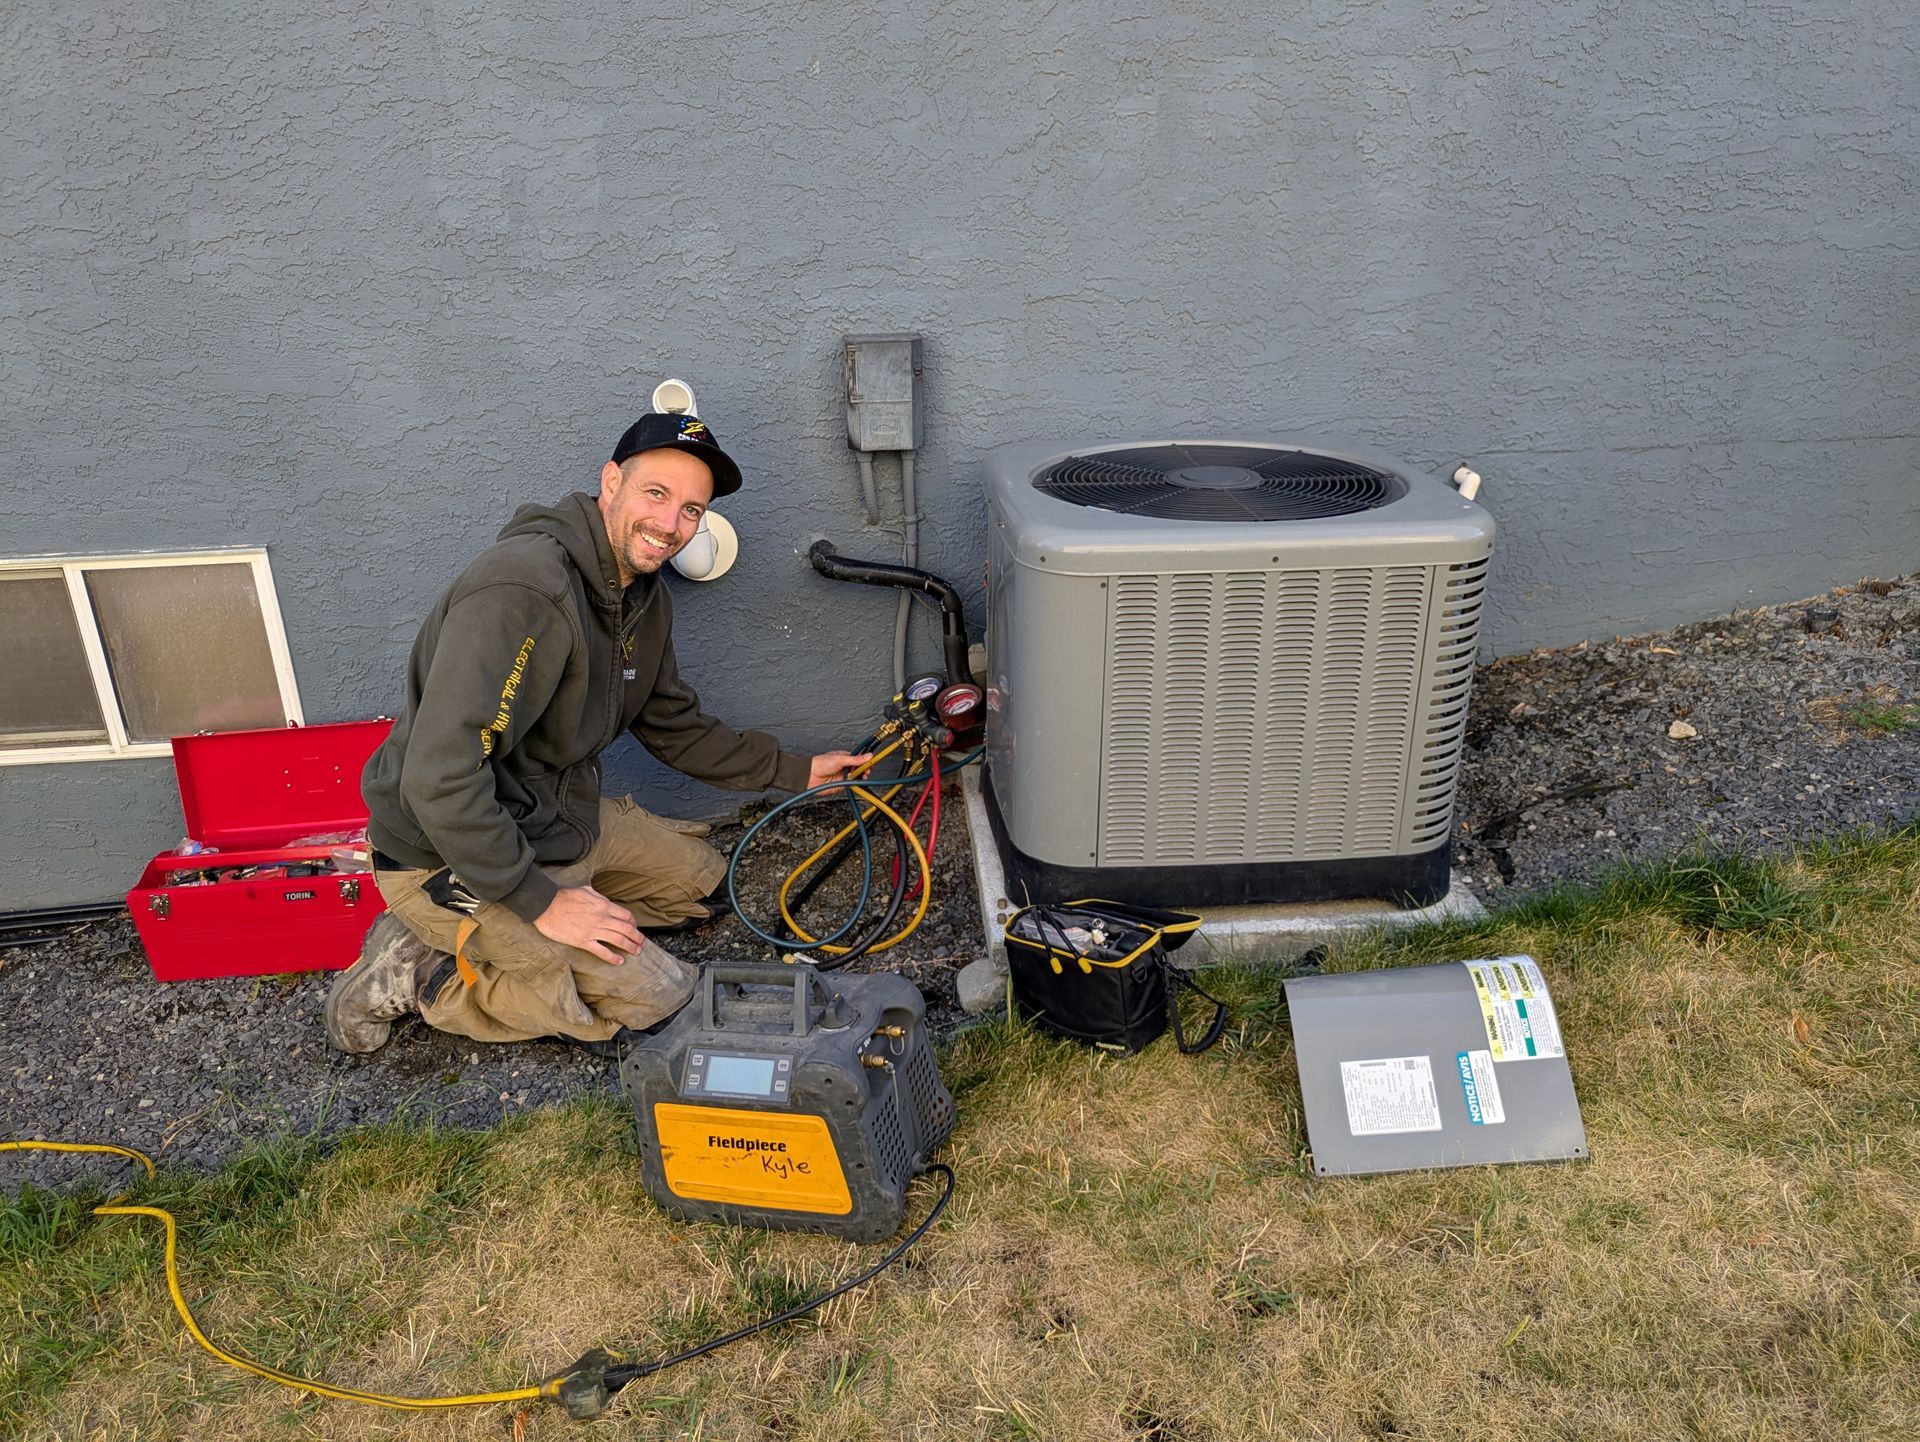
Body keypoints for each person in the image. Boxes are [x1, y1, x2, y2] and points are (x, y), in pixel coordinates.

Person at [325, 409, 870, 1055]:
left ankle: (498, 923)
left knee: (695, 882)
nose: (671, 525)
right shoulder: (522, 591)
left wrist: (796, 772)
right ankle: (419, 974)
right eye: (657, 494)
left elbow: (671, 722)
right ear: (611, 482)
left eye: (692, 510)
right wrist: (541, 901)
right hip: (443, 853)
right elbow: (439, 775)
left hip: (554, 820)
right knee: (655, 996)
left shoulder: (639, 594)